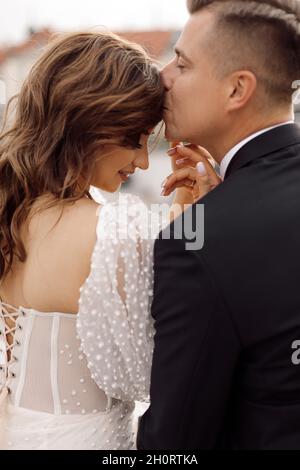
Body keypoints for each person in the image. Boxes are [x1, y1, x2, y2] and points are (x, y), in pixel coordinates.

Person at [0, 30, 218, 450]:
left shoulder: (12, 210)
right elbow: (153, 372)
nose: (140, 161)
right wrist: (198, 217)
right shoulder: (114, 232)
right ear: (90, 125)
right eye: (134, 138)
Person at [137, 0, 300, 450]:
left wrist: (217, 219)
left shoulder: (196, 240)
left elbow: (173, 444)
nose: (163, 76)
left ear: (237, 90)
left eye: (182, 64)